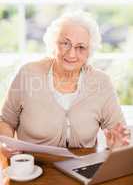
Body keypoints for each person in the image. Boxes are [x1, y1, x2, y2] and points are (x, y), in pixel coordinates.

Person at [0, 10, 130, 157]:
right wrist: (6, 144)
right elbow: (5, 121)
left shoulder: (102, 82)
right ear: (53, 43)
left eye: (80, 47)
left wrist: (118, 146)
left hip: (82, 170)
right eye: (65, 43)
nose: (71, 54)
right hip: (30, 167)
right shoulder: (28, 74)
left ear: (89, 51)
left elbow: (119, 132)